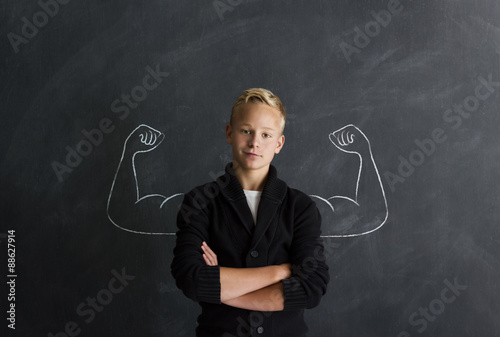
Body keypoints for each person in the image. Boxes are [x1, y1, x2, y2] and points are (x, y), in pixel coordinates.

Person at [170, 88, 330, 336]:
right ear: (229, 133)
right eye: (246, 131)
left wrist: (224, 292)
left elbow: (311, 287)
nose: (255, 142)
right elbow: (192, 279)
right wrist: (281, 271)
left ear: (279, 143)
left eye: (266, 134)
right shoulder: (201, 201)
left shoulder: (300, 207)